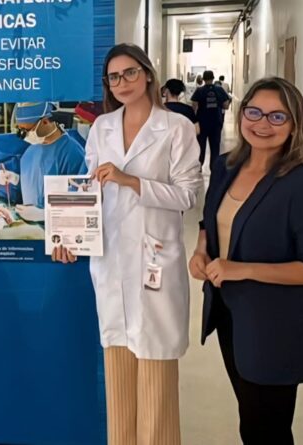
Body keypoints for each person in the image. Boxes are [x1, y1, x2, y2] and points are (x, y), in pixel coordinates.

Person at [56, 43, 201, 445]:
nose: (122, 82)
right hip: (110, 261)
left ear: (148, 74)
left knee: (155, 379)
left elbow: (188, 195)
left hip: (155, 261)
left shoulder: (176, 127)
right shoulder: (102, 127)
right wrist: (70, 237)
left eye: (130, 72)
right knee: (118, 377)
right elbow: (87, 192)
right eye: (114, 77)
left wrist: (130, 181)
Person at [189, 77, 303, 445]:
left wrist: (241, 269)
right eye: (254, 112)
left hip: (276, 327)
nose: (262, 124)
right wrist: (201, 249)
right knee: (251, 422)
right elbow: (209, 219)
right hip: (230, 315)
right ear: (241, 114)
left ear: (295, 124)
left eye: (277, 116)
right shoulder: (225, 167)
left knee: (266, 431)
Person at [12, 102, 87, 220]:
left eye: (27, 130)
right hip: (31, 228)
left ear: (45, 122)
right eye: (20, 130)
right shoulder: (31, 151)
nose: (24, 136)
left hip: (59, 228)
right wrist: (16, 180)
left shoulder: (73, 153)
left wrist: (45, 215)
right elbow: (36, 186)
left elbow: (82, 202)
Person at [191, 70, 231, 169]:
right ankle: (214, 168)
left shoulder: (199, 90)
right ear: (213, 78)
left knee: (200, 146)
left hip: (202, 122)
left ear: (203, 79)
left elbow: (194, 107)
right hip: (216, 122)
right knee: (215, 147)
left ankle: (199, 166)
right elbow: (226, 106)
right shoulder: (219, 89)